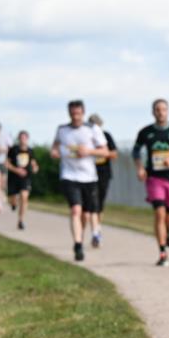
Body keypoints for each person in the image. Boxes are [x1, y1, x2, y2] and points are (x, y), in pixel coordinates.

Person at [132, 99, 169, 267]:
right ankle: (163, 253)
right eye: (157, 109)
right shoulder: (146, 132)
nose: (160, 112)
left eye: (163, 109)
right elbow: (136, 151)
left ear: (168, 111)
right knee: (159, 214)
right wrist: (140, 168)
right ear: (153, 112)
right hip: (154, 178)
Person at [50, 100, 109, 261]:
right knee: (75, 210)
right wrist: (54, 152)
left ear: (83, 113)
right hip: (69, 175)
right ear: (69, 113)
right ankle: (77, 244)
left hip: (89, 177)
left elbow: (105, 151)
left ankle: (81, 237)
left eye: (78, 113)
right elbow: (55, 146)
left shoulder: (92, 129)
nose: (75, 117)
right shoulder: (62, 130)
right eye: (72, 113)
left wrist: (89, 151)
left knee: (86, 215)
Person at [87, 113, 118, 248]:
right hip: (87, 174)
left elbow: (114, 154)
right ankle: (95, 230)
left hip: (103, 173)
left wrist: (100, 153)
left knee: (99, 203)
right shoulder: (86, 137)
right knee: (90, 203)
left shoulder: (106, 136)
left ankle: (97, 229)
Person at [7, 130, 39, 230]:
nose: (23, 140)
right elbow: (6, 164)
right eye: (21, 138)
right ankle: (13, 204)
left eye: (25, 138)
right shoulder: (13, 150)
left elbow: (33, 163)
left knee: (24, 197)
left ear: (27, 139)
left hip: (25, 178)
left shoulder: (30, 151)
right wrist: (16, 170)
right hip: (13, 178)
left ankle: (20, 221)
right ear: (19, 139)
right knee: (12, 199)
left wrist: (35, 168)